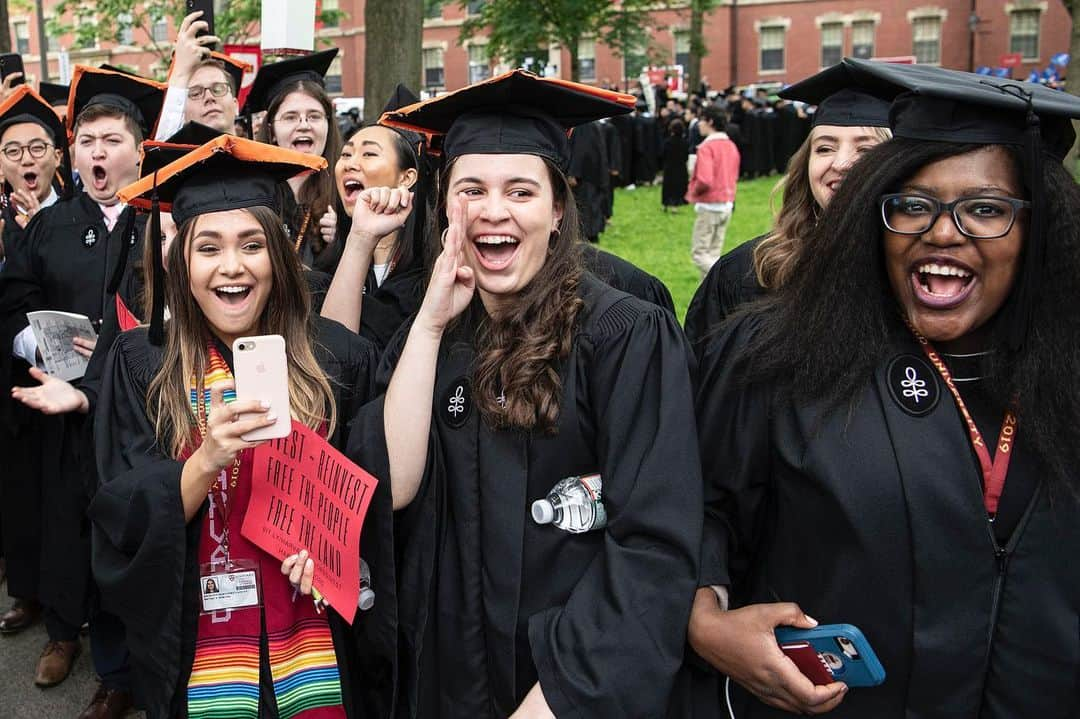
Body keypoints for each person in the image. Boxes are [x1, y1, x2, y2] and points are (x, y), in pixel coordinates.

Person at [690, 59, 1080, 718]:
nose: (943, 231)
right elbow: (689, 508)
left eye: (985, 208)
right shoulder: (778, 357)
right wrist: (703, 619)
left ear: (1040, 229)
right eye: (912, 205)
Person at [357, 70, 703, 718]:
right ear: (444, 207)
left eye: (521, 190)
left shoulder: (624, 337)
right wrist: (431, 324)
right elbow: (392, 485)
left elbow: (654, 545)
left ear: (557, 210)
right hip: (448, 680)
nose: (494, 210)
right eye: (471, 190)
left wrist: (555, 702)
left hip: (568, 688)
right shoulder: (429, 333)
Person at [90, 136, 393, 717]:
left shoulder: (339, 361)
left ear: (278, 259)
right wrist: (204, 462)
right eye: (209, 247)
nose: (232, 266)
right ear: (182, 261)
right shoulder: (141, 365)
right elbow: (117, 511)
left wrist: (335, 557)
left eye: (252, 244)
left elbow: (378, 503)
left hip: (318, 635)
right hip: (198, 642)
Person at [0, 66, 164, 715]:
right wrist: (39, 345)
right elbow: (13, 299)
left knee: (123, 529)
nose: (98, 152)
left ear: (140, 149)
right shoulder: (48, 226)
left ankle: (119, 669)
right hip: (60, 408)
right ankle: (64, 633)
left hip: (135, 413)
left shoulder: (160, 222)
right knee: (64, 520)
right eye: (88, 140)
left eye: (112, 139)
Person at [684, 75, 892, 355]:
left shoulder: (924, 275)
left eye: (866, 150)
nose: (841, 163)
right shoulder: (746, 271)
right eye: (825, 148)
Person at [0, 84, 70, 645]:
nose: (26, 159)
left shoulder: (74, 219)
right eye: (12, 150)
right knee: (19, 486)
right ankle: (27, 592)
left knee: (59, 494)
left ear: (56, 155)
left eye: (37, 147)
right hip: (9, 376)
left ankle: (67, 620)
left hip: (67, 379)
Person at [319, 85, 429, 352]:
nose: (350, 163)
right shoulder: (325, 272)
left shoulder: (431, 273)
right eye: (345, 154)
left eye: (369, 154)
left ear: (407, 177)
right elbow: (332, 358)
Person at [248, 49, 342, 266]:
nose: (304, 125)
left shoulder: (346, 190)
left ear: (328, 125)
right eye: (290, 117)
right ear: (271, 131)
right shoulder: (252, 192)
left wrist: (345, 237)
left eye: (314, 116)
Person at [154, 11, 250, 140]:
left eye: (218, 89)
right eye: (196, 93)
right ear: (182, 112)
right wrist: (181, 72)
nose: (209, 97)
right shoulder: (175, 159)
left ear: (236, 105)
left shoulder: (264, 157)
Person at [686, 104, 739, 276]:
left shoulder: (706, 148)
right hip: (726, 204)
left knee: (699, 254)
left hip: (709, 206)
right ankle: (710, 298)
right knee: (713, 254)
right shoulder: (731, 146)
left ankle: (725, 278)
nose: (699, 124)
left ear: (709, 121)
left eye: (702, 120)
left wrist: (693, 191)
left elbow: (705, 180)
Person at [661, 118, 689, 211]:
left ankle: (665, 204)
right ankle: (675, 205)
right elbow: (686, 156)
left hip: (669, 167)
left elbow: (663, 155)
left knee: (668, 186)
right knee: (678, 187)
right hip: (680, 167)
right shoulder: (685, 142)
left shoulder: (667, 142)